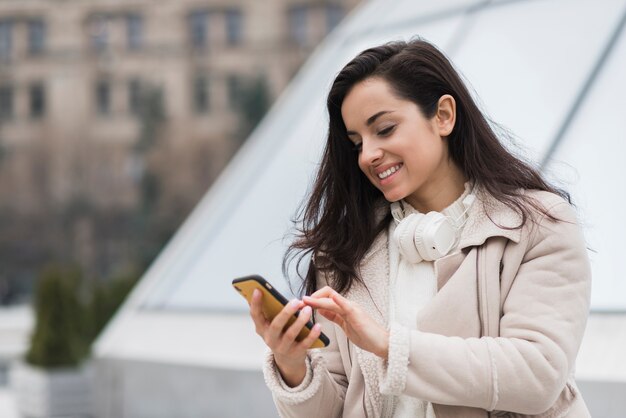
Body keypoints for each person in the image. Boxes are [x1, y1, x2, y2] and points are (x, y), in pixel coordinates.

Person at [248, 39, 591, 417]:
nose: (367, 155)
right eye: (356, 142)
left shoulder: (538, 226)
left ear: (443, 115)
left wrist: (389, 346)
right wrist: (292, 365)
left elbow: (537, 375)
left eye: (385, 128)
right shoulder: (345, 251)